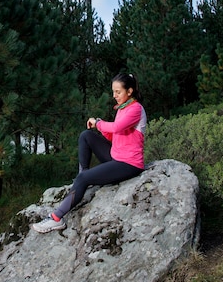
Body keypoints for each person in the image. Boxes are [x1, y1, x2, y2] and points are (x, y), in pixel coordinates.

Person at [32, 73, 147, 233]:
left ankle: (56, 219)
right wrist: (98, 126)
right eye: (113, 92)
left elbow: (116, 128)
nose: (114, 96)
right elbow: (114, 136)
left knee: (83, 179)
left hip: (129, 164)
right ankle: (82, 178)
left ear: (130, 91)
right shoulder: (122, 108)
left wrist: (99, 123)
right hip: (116, 156)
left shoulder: (135, 108)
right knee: (86, 136)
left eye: (118, 92)